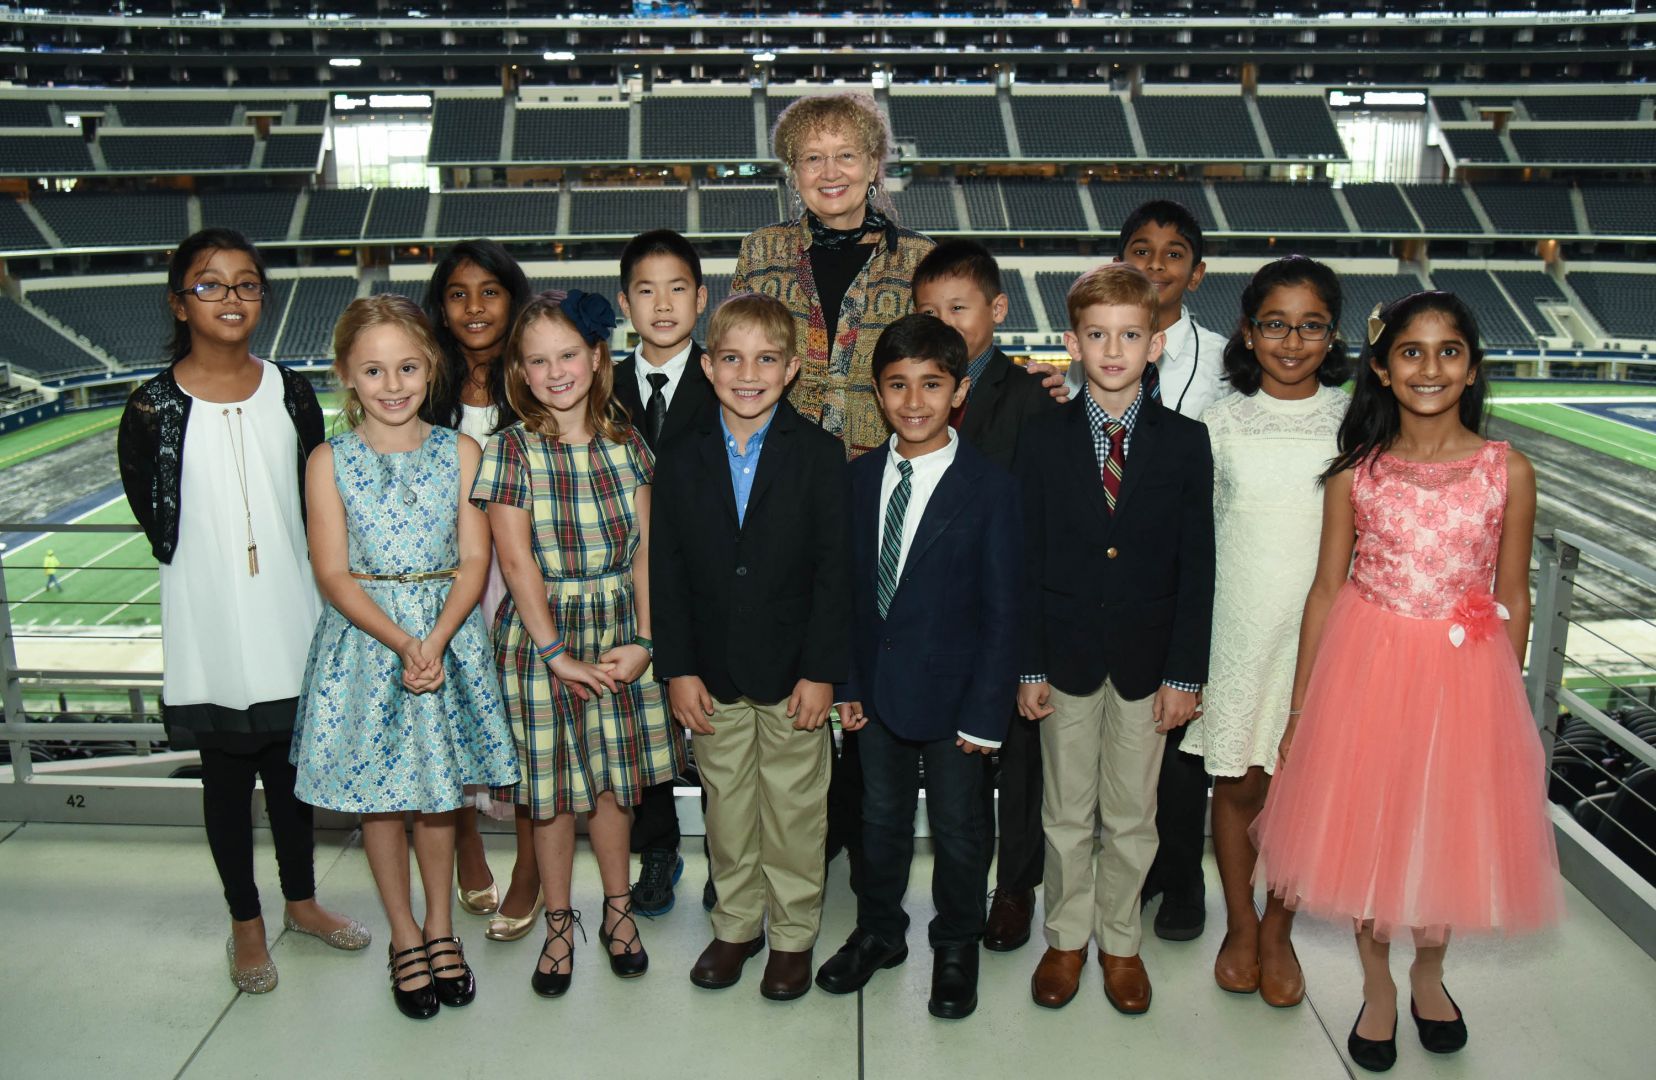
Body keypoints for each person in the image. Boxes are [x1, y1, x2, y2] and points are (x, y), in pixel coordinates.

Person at [1252, 291, 1562, 1073]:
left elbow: (1515, 594)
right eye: (1411, 352)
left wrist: (1504, 709)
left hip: (1464, 681)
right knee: (1373, 835)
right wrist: (1301, 708)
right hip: (1368, 673)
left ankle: (1429, 972)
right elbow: (1326, 591)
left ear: (1472, 369)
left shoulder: (1507, 471)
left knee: (1443, 833)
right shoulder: (1358, 475)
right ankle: (1378, 984)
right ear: (1384, 370)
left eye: (1448, 351)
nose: (1430, 367)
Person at [116, 227, 366, 995]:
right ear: (179, 302)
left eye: (247, 283)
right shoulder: (151, 408)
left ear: (264, 297)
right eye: (210, 283)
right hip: (211, 621)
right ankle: (246, 924)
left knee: (293, 775)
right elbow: (156, 520)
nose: (231, 297)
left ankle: (302, 901)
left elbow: (315, 504)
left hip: (290, 613)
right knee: (225, 783)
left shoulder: (291, 393)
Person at [291, 295, 519, 1020]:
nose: (392, 385)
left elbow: (475, 559)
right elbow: (332, 573)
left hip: (448, 639)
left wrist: (437, 638)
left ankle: (442, 928)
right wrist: (402, 642)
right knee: (381, 799)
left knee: (438, 796)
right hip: (367, 645)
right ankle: (404, 933)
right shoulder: (328, 461)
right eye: (374, 370)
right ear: (346, 375)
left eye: (408, 368)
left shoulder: (462, 452)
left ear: (432, 368)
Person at [732, 91, 933, 887]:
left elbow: (949, 360)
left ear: (875, 163)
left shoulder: (918, 260)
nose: (830, 171)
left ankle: (857, 840)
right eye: (811, 158)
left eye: (846, 154)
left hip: (885, 488)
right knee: (795, 658)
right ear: (791, 172)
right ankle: (786, 841)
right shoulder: (761, 252)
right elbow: (738, 355)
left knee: (867, 665)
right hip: (781, 487)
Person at [471, 290, 684, 998]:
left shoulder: (628, 443)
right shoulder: (510, 450)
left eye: (567, 355)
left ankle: (618, 912)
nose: (555, 371)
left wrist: (646, 640)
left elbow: (647, 551)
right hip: (542, 638)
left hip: (621, 629)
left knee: (614, 785)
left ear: (596, 359)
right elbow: (516, 562)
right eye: (538, 361)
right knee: (551, 792)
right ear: (520, 371)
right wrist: (556, 653)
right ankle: (559, 921)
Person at [1016, 264, 1215, 1014]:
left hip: (1147, 662)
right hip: (1063, 656)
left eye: (1130, 335)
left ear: (1154, 344)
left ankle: (1121, 943)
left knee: (1133, 814)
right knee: (1066, 812)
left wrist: (1185, 675)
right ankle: (1066, 938)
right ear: (1072, 343)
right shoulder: (1041, 439)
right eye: (1097, 336)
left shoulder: (1186, 442)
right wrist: (1028, 663)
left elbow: (1198, 566)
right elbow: (1026, 560)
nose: (1112, 350)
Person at [813, 314, 1020, 1021]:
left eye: (932, 384)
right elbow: (842, 593)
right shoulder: (855, 480)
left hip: (959, 700)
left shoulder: (991, 488)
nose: (913, 400)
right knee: (879, 820)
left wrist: (987, 714)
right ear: (877, 392)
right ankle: (879, 931)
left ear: (958, 391)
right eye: (897, 384)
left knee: (961, 827)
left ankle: (957, 940)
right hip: (875, 693)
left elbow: (1003, 612)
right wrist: (846, 683)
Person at [650, 293, 852, 1002]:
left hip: (795, 673)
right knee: (727, 807)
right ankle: (737, 924)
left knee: (795, 810)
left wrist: (822, 671)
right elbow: (668, 570)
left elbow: (834, 574)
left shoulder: (820, 455)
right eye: (732, 358)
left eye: (766, 360)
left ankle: (793, 934)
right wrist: (677, 668)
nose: (748, 374)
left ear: (792, 369)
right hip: (711, 672)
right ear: (707, 367)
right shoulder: (681, 456)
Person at [1180, 256, 1351, 1008]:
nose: (1291, 341)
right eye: (1275, 325)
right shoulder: (1217, 424)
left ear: (1332, 335)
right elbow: (1197, 541)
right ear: (1248, 333)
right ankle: (1241, 924)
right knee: (1239, 781)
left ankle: (1280, 929)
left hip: (1323, 634)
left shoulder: (1356, 422)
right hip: (1238, 629)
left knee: (1297, 792)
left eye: (1310, 326)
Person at [912, 238, 1057, 953]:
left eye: (959, 308)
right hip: (939, 623)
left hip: (1008, 615)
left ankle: (1016, 888)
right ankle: (962, 889)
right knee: (958, 769)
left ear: (997, 310)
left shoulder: (1032, 397)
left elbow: (1040, 524)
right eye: (929, 310)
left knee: (1020, 764)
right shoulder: (912, 394)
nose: (943, 323)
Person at [419, 240, 540, 941]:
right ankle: (466, 845)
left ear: (513, 300)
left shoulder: (537, 382)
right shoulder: (421, 386)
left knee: (525, 725)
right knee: (450, 717)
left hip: (524, 576)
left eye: (489, 291)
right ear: (440, 308)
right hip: (447, 581)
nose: (474, 307)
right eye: (458, 293)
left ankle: (529, 866)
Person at [612, 228, 718, 917]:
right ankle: (656, 847)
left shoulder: (725, 376)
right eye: (645, 291)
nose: (662, 305)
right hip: (629, 587)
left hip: (709, 584)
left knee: (710, 728)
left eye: (677, 289)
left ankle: (727, 854)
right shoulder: (601, 385)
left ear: (701, 299)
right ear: (625, 304)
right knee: (643, 728)